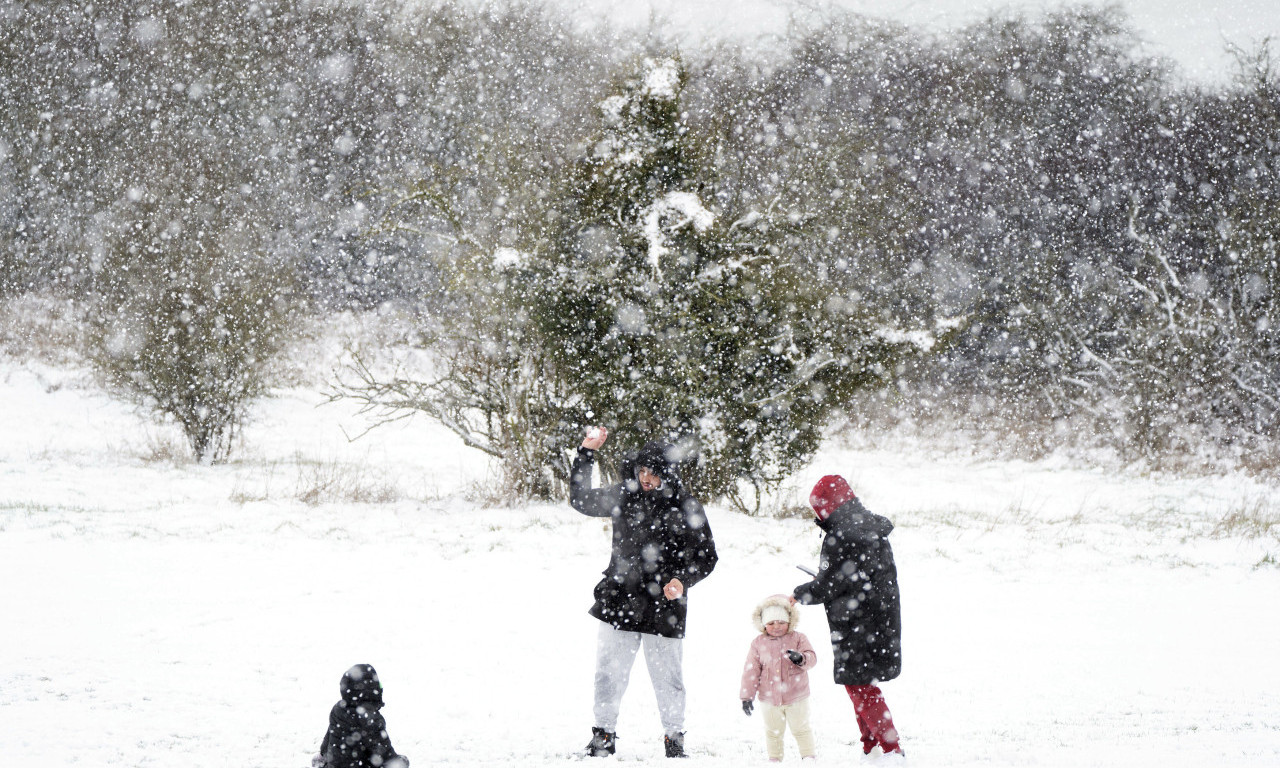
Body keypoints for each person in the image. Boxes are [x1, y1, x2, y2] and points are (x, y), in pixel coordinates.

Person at [570, 426, 719, 759]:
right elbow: (580, 499)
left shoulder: (686, 505)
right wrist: (586, 453)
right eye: (642, 471)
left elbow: (707, 556)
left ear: (668, 473)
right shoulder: (624, 494)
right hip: (619, 597)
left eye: (653, 472)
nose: (646, 478)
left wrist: (682, 580)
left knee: (668, 679)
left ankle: (674, 738)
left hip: (665, 604)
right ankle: (603, 736)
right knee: (608, 674)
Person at [792, 475, 904, 757]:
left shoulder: (841, 535)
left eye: (819, 507)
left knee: (860, 685)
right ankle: (871, 747)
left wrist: (800, 593)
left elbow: (828, 586)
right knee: (861, 683)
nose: (819, 514)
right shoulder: (870, 527)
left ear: (829, 505)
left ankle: (891, 750)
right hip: (880, 618)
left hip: (855, 622)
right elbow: (857, 576)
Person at [739, 594, 818, 762]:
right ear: (763, 624)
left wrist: (801, 658)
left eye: (781, 622)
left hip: (796, 696)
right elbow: (751, 671)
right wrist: (747, 697)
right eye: (771, 623)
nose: (776, 627)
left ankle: (808, 759)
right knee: (773, 732)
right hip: (769, 699)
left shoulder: (798, 638)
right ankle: (774, 760)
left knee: (801, 729)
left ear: (790, 620)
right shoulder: (758, 643)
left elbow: (812, 658)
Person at [312, 664, 409, 768]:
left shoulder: (338, 709)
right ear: (371, 690)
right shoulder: (370, 718)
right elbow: (386, 756)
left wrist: (322, 756)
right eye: (379, 685)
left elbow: (328, 741)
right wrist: (400, 762)